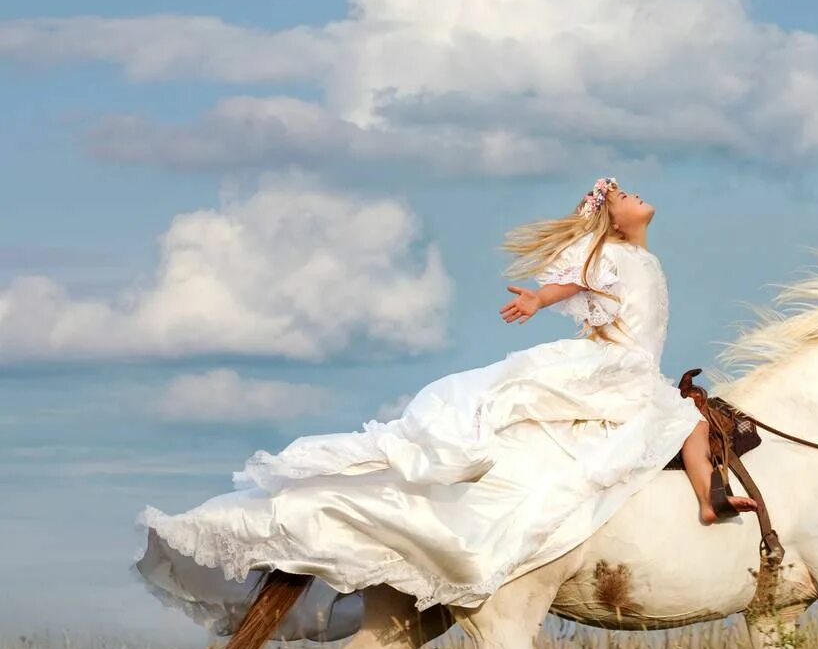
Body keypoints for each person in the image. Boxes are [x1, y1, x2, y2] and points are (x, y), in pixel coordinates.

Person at [135, 178, 755, 615]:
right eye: (622, 196)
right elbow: (569, 284)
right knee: (674, 417)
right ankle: (707, 499)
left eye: (630, 193)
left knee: (687, 418)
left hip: (637, 366)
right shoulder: (610, 256)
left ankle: (708, 498)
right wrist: (538, 299)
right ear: (612, 221)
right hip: (613, 366)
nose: (633, 196)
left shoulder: (641, 257)